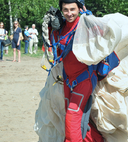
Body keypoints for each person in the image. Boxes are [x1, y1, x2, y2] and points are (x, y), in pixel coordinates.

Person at [47, 0, 105, 141]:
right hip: (68, 80)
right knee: (76, 119)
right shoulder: (61, 27)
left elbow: (105, 36)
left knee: (72, 118)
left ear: (79, 8)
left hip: (84, 79)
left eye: (72, 9)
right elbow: (54, 49)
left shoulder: (86, 25)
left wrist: (90, 18)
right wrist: (51, 28)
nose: (69, 13)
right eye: (65, 10)